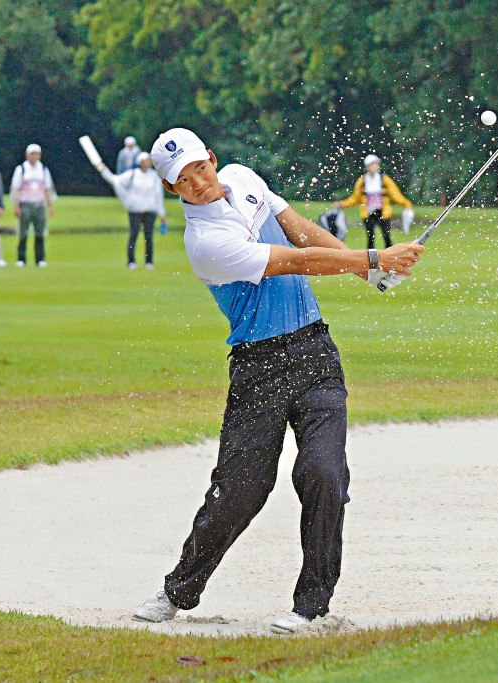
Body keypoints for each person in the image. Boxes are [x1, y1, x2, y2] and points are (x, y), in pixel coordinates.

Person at [134, 127, 424, 634]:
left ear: (212, 159)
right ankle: (179, 588)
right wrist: (375, 258)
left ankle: (312, 606)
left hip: (315, 353)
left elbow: (301, 232)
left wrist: (367, 274)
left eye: (200, 168)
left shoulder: (244, 178)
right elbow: (297, 262)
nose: (198, 182)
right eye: (183, 180)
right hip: (258, 367)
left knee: (324, 473)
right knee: (240, 490)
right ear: (170, 189)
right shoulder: (205, 242)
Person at [96, 151, 165, 269]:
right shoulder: (132, 174)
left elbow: (158, 195)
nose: (149, 162)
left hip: (150, 209)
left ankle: (149, 262)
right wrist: (103, 169)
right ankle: (131, 261)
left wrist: (162, 213)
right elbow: (115, 180)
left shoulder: (154, 176)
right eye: (146, 160)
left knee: (148, 237)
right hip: (135, 209)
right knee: (134, 235)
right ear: (141, 162)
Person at [336, 154, 413, 249]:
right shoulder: (362, 181)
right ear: (367, 167)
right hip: (368, 213)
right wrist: (343, 204)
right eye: (371, 165)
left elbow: (395, 194)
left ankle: (390, 255)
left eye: (375, 164)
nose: (373, 167)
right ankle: (370, 256)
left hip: (383, 212)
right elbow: (355, 198)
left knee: (386, 235)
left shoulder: (384, 179)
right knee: (370, 237)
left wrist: (406, 203)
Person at [10, 144, 57, 267]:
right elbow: (16, 189)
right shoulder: (21, 169)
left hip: (39, 204)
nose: (34, 156)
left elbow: (47, 189)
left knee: (40, 232)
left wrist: (50, 206)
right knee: (23, 232)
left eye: (36, 154)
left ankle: (40, 259)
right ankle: (21, 258)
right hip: (25, 204)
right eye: (32, 154)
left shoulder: (43, 170)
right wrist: (16, 206)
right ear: (27, 155)